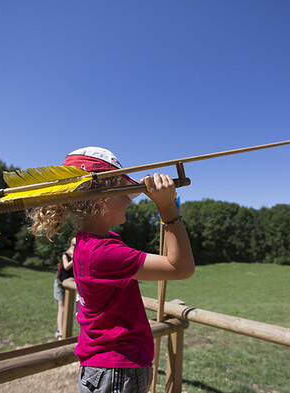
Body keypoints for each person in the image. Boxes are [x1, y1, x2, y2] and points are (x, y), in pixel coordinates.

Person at [27, 146, 195, 393]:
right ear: (101, 196)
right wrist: (168, 209)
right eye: (123, 190)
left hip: (104, 368)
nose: (129, 198)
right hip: (118, 369)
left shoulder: (87, 243)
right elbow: (181, 267)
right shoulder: (104, 253)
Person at [54, 237, 76, 340]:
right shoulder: (65, 255)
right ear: (71, 245)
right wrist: (75, 258)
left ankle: (63, 333)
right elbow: (66, 266)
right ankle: (60, 332)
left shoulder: (75, 255)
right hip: (60, 283)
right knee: (62, 308)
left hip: (68, 282)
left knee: (68, 308)